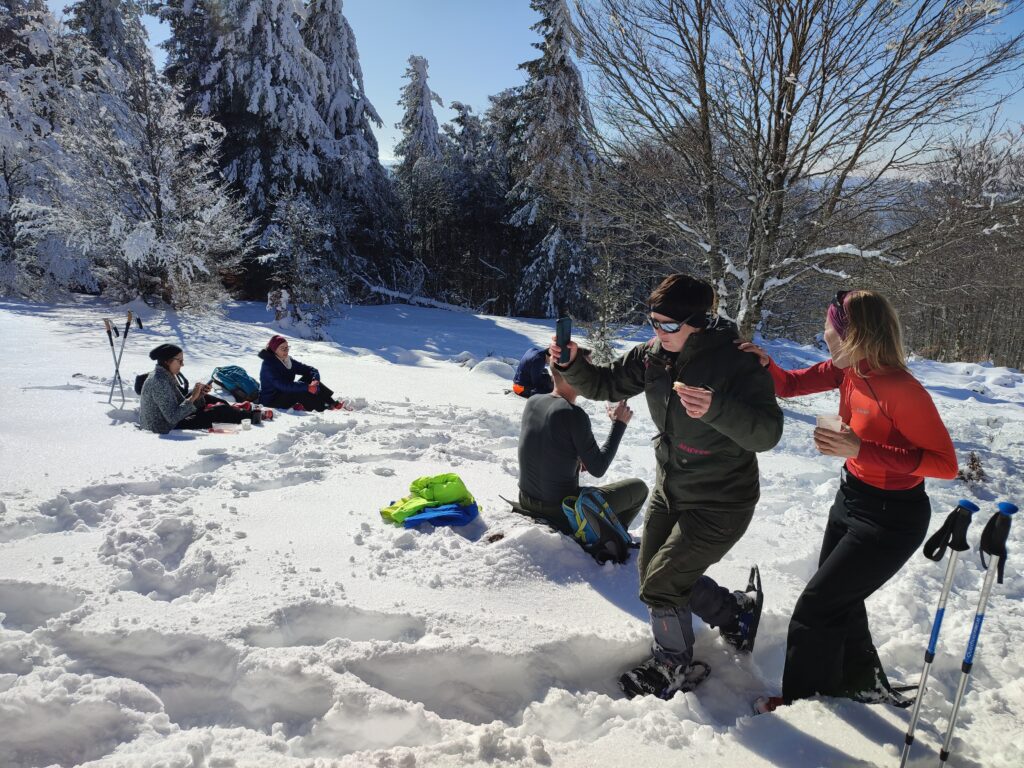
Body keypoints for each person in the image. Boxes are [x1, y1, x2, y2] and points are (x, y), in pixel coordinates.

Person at [550, 273, 784, 700]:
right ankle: (736, 615)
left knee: (662, 583)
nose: (658, 332)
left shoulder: (738, 362)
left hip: (722, 500)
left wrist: (718, 409)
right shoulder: (653, 356)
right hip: (671, 489)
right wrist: (570, 364)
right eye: (653, 322)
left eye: (669, 325)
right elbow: (604, 383)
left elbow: (767, 434)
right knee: (655, 576)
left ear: (699, 320)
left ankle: (673, 665)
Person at [738, 290, 957, 713]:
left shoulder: (901, 389)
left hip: (891, 518)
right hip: (851, 499)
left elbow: (945, 465)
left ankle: (799, 703)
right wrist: (766, 364)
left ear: (854, 334)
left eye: (830, 330)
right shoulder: (849, 371)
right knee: (842, 599)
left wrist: (861, 449)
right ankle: (863, 683)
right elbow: (791, 385)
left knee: (815, 607)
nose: (824, 337)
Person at [516, 359, 648, 539]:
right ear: (574, 376)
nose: (591, 377)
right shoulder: (573, 414)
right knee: (639, 489)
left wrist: (576, 458)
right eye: (587, 371)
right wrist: (619, 424)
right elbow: (598, 469)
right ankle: (610, 537)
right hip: (561, 511)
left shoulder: (533, 401)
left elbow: (547, 447)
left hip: (526, 501)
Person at [140, 344, 268, 434]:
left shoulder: (163, 376)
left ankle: (235, 411)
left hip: (168, 421)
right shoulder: (159, 382)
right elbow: (173, 418)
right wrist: (193, 397)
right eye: (179, 361)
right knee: (217, 412)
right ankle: (252, 416)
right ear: (167, 361)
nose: (182, 364)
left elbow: (178, 404)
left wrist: (199, 395)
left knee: (206, 398)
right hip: (164, 427)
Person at [258, 335, 345, 412]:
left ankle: (331, 403)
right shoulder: (268, 365)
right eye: (282, 348)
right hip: (272, 401)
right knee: (300, 390)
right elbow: (282, 385)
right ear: (274, 350)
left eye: (287, 347)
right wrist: (307, 387)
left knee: (308, 378)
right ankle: (323, 409)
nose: (286, 350)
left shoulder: (288, 360)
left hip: (284, 393)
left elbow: (310, 370)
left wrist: (315, 381)